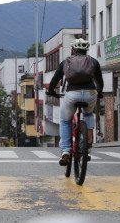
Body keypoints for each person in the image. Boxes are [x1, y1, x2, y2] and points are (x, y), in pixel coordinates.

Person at [47, 38, 104, 166]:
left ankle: (66, 150)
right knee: (88, 114)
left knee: (65, 121)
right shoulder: (93, 62)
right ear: (86, 50)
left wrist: (51, 91)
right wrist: (99, 93)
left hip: (72, 94)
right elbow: (100, 82)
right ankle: (87, 146)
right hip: (90, 94)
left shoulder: (66, 62)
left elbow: (54, 80)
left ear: (73, 50)